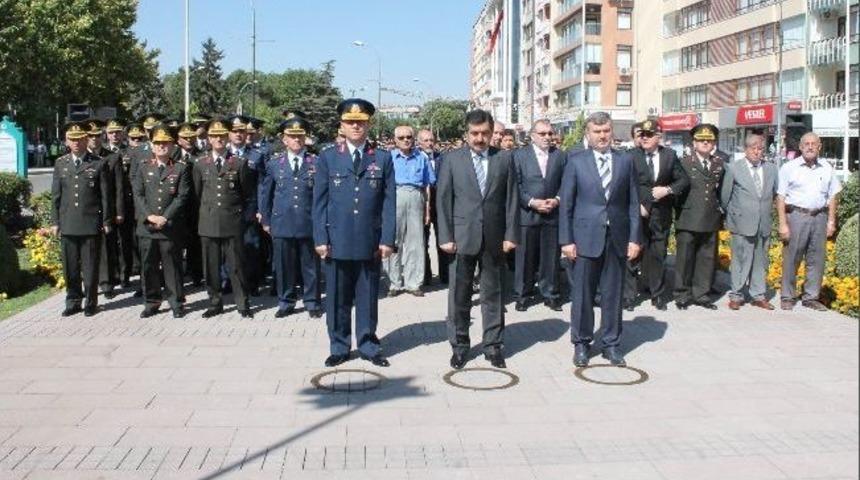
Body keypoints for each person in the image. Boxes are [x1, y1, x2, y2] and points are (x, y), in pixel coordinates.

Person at [313, 98, 396, 368]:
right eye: (351, 122)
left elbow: (388, 202)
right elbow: (320, 202)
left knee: (368, 297)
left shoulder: (382, 158)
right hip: (336, 240)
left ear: (368, 124)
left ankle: (369, 344)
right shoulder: (327, 157)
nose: (356, 126)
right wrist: (320, 239)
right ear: (342, 126)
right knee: (337, 297)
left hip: (369, 240)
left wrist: (387, 239)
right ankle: (339, 346)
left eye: (361, 122)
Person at [436, 109, 519, 370]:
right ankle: (460, 346)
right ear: (467, 134)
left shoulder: (504, 159)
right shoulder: (452, 160)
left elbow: (512, 200)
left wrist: (511, 235)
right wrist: (445, 236)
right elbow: (443, 200)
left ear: (492, 132)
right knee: (459, 296)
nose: (480, 138)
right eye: (474, 133)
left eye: (485, 133)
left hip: (494, 238)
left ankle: (493, 346)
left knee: (493, 295)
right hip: (461, 238)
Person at [559, 112, 640, 368]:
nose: (603, 136)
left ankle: (611, 344)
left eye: (606, 131)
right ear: (588, 134)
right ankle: (582, 343)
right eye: (597, 131)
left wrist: (635, 239)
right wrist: (566, 240)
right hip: (584, 239)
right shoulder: (576, 162)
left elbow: (633, 203)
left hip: (616, 237)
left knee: (613, 295)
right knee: (582, 294)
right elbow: (567, 205)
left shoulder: (625, 161)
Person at [259, 116, 324, 318]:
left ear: (305, 138)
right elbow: (265, 193)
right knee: (284, 266)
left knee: (310, 266)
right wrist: (266, 220)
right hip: (282, 222)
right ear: (284, 139)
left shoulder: (316, 162)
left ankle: (312, 302)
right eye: (292, 136)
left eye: (300, 136)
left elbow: (322, 195)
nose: (296, 140)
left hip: (308, 221)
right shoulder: (274, 164)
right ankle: (286, 301)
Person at [192, 118, 256, 318]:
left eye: (221, 135)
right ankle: (215, 302)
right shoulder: (200, 164)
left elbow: (248, 195)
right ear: (209, 139)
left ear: (227, 137)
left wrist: (243, 219)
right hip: (208, 222)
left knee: (236, 265)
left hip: (232, 222)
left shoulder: (239, 163)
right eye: (214, 136)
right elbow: (196, 194)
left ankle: (242, 302)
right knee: (211, 266)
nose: (218, 139)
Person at [623, 119, 689, 311]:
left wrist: (667, 190)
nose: (644, 138)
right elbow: (625, 185)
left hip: (661, 215)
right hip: (638, 215)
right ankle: (628, 296)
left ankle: (657, 295)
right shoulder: (630, 156)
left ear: (659, 137)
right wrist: (638, 206)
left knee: (658, 256)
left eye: (649, 135)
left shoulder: (669, 155)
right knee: (632, 255)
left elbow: (683, 180)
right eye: (642, 134)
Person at [51, 121, 113, 317]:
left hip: (90, 224)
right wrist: (55, 222)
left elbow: (105, 196)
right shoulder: (61, 163)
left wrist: (106, 221)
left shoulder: (98, 163)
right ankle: (73, 300)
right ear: (67, 141)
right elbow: (56, 196)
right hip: (68, 223)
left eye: (80, 139)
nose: (76, 143)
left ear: (86, 140)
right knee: (70, 266)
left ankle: (91, 302)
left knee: (90, 266)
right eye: (72, 139)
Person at [776, 132, 842, 311]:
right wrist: (782, 224)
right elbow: (780, 197)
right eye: (806, 144)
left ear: (820, 147)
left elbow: (833, 195)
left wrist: (831, 221)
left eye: (814, 144)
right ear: (800, 147)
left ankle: (811, 296)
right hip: (797, 216)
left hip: (819, 217)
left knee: (817, 259)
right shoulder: (789, 168)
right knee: (792, 257)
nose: (810, 147)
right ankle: (787, 296)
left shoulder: (827, 167)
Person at [133, 124, 192, 318]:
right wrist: (150, 215)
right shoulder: (143, 167)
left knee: (172, 267)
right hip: (148, 227)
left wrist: (165, 217)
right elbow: (138, 194)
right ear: (152, 145)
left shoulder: (181, 168)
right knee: (148, 267)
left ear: (172, 145)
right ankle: (152, 302)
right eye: (157, 143)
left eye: (165, 143)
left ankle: (176, 302)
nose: (161, 146)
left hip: (170, 227)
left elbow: (182, 196)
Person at [512, 119, 565, 312]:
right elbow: (515, 185)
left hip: (552, 214)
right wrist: (532, 202)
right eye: (542, 134)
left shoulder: (560, 156)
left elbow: (566, 183)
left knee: (550, 258)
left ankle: (550, 293)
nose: (547, 137)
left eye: (550, 133)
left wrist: (557, 199)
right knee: (525, 257)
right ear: (533, 136)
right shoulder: (519, 156)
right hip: (528, 214)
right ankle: (522, 294)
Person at [721, 133, 778, 311]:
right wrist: (734, 216)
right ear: (745, 149)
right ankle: (736, 295)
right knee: (740, 260)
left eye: (760, 148)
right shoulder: (733, 168)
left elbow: (775, 194)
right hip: (741, 223)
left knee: (761, 260)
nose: (757, 151)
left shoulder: (771, 169)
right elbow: (725, 196)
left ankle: (758, 295)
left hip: (763, 223)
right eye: (753, 148)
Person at [673, 124, 725, 310]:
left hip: (710, 217)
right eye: (701, 140)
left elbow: (720, 193)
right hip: (688, 217)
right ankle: (682, 294)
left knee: (707, 258)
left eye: (709, 140)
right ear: (693, 143)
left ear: (714, 144)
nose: (705, 143)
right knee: (684, 259)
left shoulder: (719, 164)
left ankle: (701, 294)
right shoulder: (683, 162)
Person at [386, 125, 436, 297]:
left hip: (416, 197)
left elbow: (427, 185)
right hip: (395, 197)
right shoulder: (389, 158)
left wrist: (427, 211)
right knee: (394, 242)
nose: (406, 140)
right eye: (401, 138)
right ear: (395, 140)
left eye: (409, 137)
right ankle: (394, 282)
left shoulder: (421, 157)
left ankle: (413, 283)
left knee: (416, 242)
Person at [173, 122, 204, 286]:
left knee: (195, 241)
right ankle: (176, 275)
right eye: (185, 138)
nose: (189, 141)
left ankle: (196, 274)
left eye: (191, 137)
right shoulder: (172, 156)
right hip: (176, 205)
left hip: (195, 204)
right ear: (178, 140)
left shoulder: (202, 155)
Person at [418, 129, 448, 286]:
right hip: (421, 205)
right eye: (425, 140)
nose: (429, 143)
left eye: (431, 140)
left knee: (443, 240)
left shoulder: (443, 158)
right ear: (419, 142)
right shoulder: (415, 158)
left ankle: (446, 275)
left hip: (440, 206)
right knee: (422, 241)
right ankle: (426, 275)